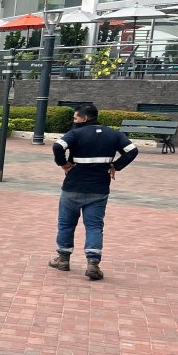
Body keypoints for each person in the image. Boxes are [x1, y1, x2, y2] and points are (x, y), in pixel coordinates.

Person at [48, 105, 138, 280]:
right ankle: (93, 264)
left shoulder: (75, 134)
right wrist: (116, 166)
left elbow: (58, 147)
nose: (74, 121)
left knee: (66, 224)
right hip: (99, 189)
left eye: (75, 118)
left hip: (72, 188)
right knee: (94, 226)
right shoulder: (114, 134)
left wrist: (64, 164)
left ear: (85, 118)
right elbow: (132, 151)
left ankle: (63, 260)